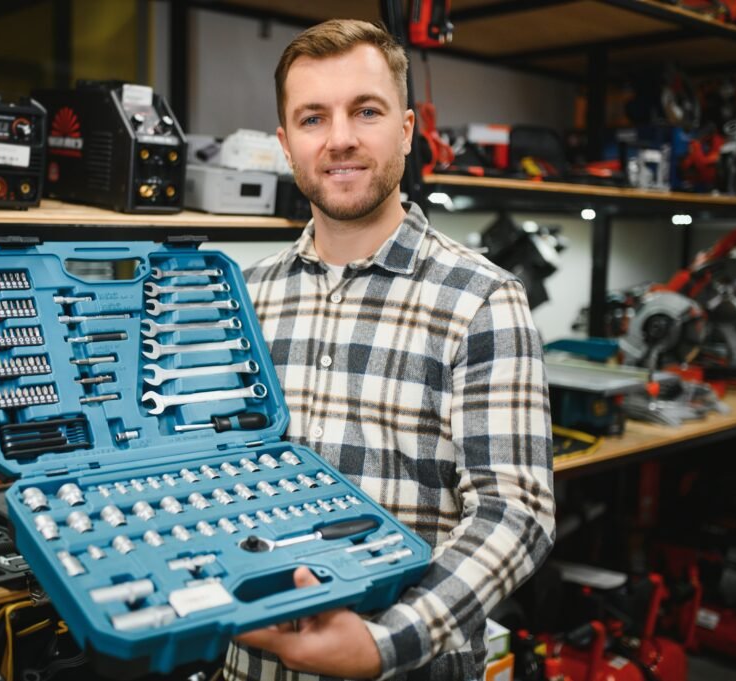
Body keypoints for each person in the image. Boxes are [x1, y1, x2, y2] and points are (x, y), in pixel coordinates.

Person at [223, 19, 555, 681]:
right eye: (313, 118)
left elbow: (516, 510)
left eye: (365, 111)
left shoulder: (483, 298)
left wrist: (385, 641)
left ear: (406, 129)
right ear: (287, 145)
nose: (340, 137)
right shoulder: (242, 297)